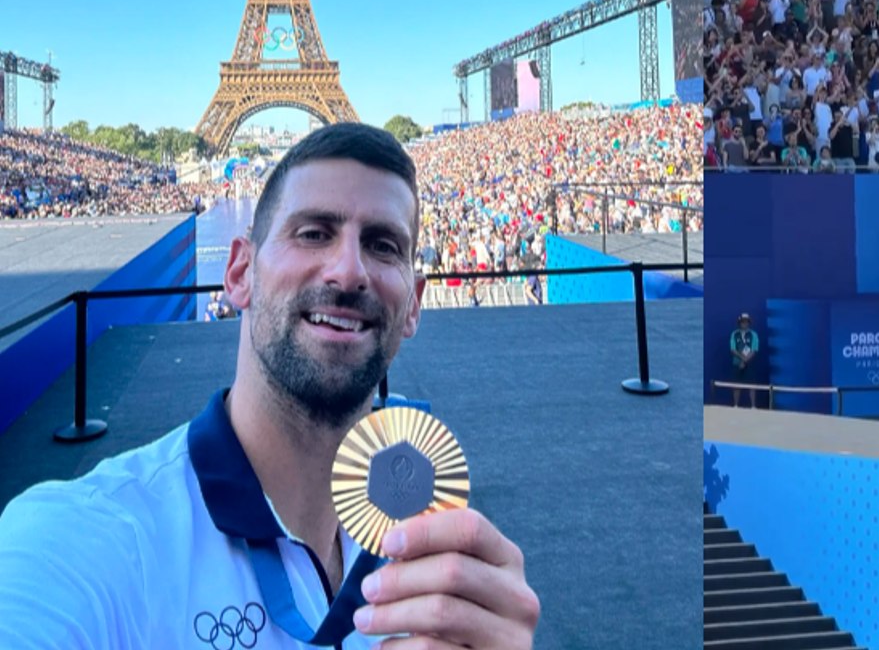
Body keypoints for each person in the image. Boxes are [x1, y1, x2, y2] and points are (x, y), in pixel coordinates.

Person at [0, 124, 540, 649]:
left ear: (413, 304)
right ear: (239, 272)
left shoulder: (428, 522)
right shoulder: (93, 537)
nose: (349, 270)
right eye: (313, 233)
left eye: (381, 245)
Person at [731, 313, 759, 408]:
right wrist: (742, 359)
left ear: (749, 323)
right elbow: (733, 349)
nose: (744, 323)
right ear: (739, 322)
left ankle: (753, 406)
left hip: (750, 363)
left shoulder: (753, 335)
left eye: (746, 321)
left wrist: (745, 361)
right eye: (743, 321)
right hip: (737, 363)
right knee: (736, 385)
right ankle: (735, 405)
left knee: (752, 385)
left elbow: (754, 349)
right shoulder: (734, 334)